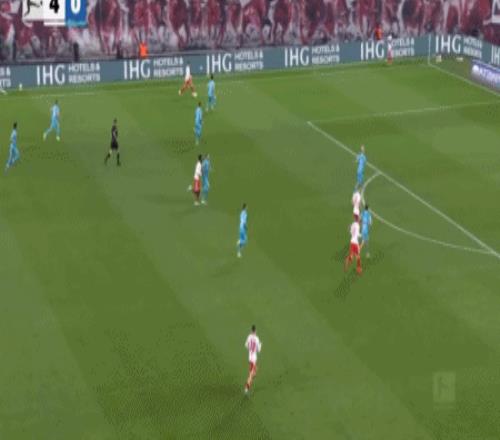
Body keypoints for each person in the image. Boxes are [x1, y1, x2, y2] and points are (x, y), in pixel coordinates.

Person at [244, 325, 262, 394]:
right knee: (251, 374)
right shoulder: (257, 339)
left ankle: (252, 375)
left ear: (251, 330)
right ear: (255, 331)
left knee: (254, 371)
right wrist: (260, 345)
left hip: (250, 357)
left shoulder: (249, 337)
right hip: (254, 359)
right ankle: (246, 387)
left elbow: (246, 345)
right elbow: (259, 350)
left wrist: (250, 349)